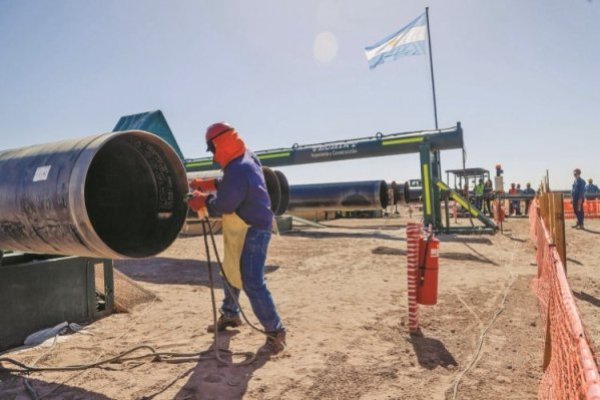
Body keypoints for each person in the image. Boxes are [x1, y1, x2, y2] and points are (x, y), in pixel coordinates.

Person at [187, 122, 286, 354]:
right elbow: (230, 184)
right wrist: (208, 184)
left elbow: (224, 204)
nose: (213, 156)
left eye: (212, 150)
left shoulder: (238, 169)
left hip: (254, 229)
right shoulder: (246, 158)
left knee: (252, 280)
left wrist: (203, 200)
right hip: (248, 224)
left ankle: (276, 331)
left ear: (218, 144)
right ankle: (230, 315)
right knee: (230, 269)